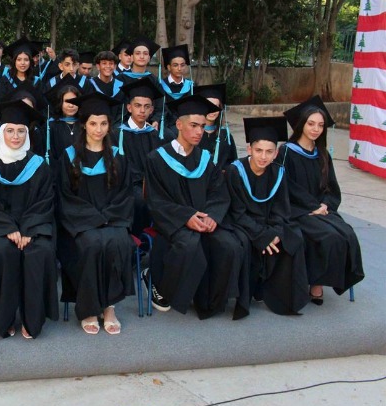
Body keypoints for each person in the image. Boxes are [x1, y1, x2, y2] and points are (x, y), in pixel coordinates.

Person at [144, 94, 249, 320]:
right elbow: (156, 201)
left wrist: (212, 216)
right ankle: (162, 286)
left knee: (229, 245)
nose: (199, 131)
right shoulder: (157, 159)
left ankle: (210, 301)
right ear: (179, 125)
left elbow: (219, 192)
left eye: (202, 126)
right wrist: (186, 216)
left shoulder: (205, 158)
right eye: (193, 125)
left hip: (204, 218)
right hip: (174, 222)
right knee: (189, 245)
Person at [0, 99, 58, 339]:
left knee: (39, 251)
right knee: (3, 251)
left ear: (27, 133)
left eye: (21, 131)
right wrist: (7, 227)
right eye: (10, 130)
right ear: (1, 132)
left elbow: (45, 201)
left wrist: (29, 229)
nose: (15, 136)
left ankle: (33, 320)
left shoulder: (38, 165)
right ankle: (5, 318)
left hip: (34, 226)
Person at [57, 92, 135, 335]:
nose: (98, 129)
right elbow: (65, 197)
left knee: (118, 242)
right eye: (93, 123)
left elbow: (125, 195)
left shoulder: (118, 156)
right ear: (83, 125)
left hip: (112, 219)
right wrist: (93, 218)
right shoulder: (69, 156)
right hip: (80, 223)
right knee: (91, 244)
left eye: (103, 123)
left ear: (109, 125)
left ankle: (109, 307)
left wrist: (107, 217)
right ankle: (89, 308)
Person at [280, 96, 365, 303]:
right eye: (311, 124)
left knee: (347, 234)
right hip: (297, 210)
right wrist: (312, 206)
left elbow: (331, 187)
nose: (316, 129)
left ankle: (328, 280)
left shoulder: (322, 154)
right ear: (301, 124)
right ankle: (316, 284)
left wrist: (325, 204)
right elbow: (287, 186)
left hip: (322, 209)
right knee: (328, 236)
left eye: (320, 125)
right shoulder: (286, 152)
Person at [226, 117, 310, 315]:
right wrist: (262, 235)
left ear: (276, 153)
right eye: (258, 150)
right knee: (245, 242)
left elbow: (282, 209)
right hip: (243, 224)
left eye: (269, 151)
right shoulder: (235, 171)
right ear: (249, 149)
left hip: (270, 222)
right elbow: (236, 212)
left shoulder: (278, 172)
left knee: (294, 238)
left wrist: (275, 232)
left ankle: (284, 298)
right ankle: (249, 295)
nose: (263, 157)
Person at [118, 77, 169, 235]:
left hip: (151, 184)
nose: (142, 111)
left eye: (147, 107)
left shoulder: (155, 135)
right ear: (129, 107)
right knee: (140, 201)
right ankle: (138, 239)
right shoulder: (117, 134)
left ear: (152, 110)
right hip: (127, 185)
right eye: (138, 106)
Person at [0, 37, 45, 111]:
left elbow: (41, 105)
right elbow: (1, 105)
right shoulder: (5, 81)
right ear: (14, 61)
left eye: (26, 60)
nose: (22, 63)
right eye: (19, 60)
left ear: (30, 62)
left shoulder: (36, 82)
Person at [195, 83, 238, 168]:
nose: (212, 110)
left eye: (216, 106)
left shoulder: (225, 136)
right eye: (208, 105)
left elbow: (232, 163)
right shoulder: (193, 133)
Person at [43, 75, 82, 163]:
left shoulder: (85, 124)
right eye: (67, 101)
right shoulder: (51, 126)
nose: (71, 105)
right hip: (59, 168)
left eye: (74, 101)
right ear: (60, 103)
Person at [157, 44, 194, 138]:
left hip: (186, 127)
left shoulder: (191, 86)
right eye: (175, 65)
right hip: (165, 128)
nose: (179, 68)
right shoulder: (160, 86)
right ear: (169, 67)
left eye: (182, 65)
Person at [88, 50, 124, 125]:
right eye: (104, 63)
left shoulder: (120, 86)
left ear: (115, 67)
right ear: (98, 66)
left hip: (115, 127)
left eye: (111, 63)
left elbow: (122, 111)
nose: (108, 66)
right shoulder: (90, 84)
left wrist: (114, 127)